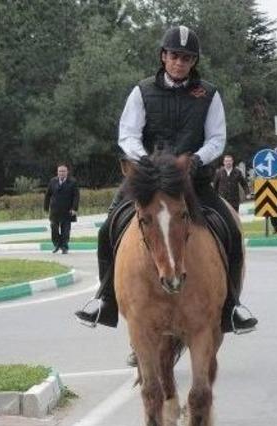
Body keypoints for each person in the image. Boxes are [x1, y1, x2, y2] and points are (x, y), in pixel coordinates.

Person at [75, 25, 258, 342]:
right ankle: (104, 298)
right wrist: (144, 160)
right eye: (174, 55)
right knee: (108, 229)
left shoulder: (209, 95)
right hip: (148, 178)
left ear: (193, 61)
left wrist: (197, 159)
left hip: (192, 180)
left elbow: (217, 138)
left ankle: (232, 305)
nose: (180, 62)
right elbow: (128, 134)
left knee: (229, 226)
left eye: (187, 58)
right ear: (164, 56)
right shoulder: (142, 91)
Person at [43, 163, 79, 254]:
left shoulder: (73, 182)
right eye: (60, 171)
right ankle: (57, 244)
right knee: (53, 227)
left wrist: (74, 209)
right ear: (57, 172)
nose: (61, 173)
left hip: (67, 210)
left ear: (67, 172)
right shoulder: (53, 181)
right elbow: (48, 195)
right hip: (55, 210)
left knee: (65, 230)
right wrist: (46, 207)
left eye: (63, 171)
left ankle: (64, 247)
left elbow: (76, 196)